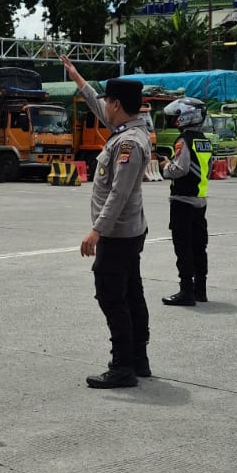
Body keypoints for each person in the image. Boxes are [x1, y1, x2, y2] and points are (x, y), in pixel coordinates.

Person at [62, 57, 153, 388]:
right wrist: (77, 79)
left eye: (107, 101)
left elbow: (119, 193)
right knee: (131, 293)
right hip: (127, 232)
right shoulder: (127, 130)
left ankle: (123, 366)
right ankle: (138, 359)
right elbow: (96, 106)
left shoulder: (128, 143)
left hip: (117, 234)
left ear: (116, 104)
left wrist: (96, 231)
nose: (103, 106)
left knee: (113, 297)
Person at [160, 98, 212, 306]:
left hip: (182, 201)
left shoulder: (183, 140)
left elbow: (179, 169)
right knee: (199, 247)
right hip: (200, 200)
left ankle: (186, 291)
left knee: (183, 248)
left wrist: (166, 166)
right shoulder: (204, 140)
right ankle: (200, 290)